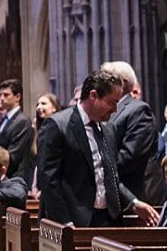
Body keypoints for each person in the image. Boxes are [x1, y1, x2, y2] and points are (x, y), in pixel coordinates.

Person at [35, 67, 159, 229]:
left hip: (108, 220)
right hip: (73, 222)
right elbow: (49, 180)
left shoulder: (108, 129)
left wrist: (134, 203)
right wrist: (64, 223)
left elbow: (111, 177)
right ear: (93, 96)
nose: (115, 109)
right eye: (112, 102)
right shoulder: (58, 125)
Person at [102, 61, 160, 203]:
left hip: (135, 193)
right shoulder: (111, 108)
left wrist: (98, 167)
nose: (101, 84)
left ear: (123, 82)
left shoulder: (138, 110)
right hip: (114, 191)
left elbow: (130, 155)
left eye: (107, 79)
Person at [0, 79, 33, 181]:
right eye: (0, 95)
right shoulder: (4, 120)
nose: (2, 98)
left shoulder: (22, 121)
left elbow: (14, 154)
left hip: (14, 177)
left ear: (17, 97)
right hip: (3, 175)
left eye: (6, 95)